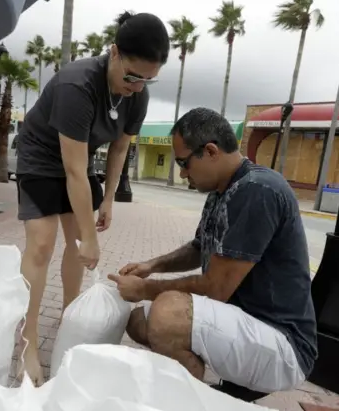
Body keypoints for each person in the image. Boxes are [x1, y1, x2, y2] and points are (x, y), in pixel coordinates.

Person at [108, 108, 318, 396]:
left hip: (283, 344)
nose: (182, 173)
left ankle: (191, 400)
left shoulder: (258, 190)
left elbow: (215, 288)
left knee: (168, 313)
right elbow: (199, 247)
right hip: (246, 324)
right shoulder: (223, 190)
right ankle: (208, 391)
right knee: (139, 321)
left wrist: (144, 288)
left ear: (210, 151)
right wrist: (151, 265)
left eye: (184, 162)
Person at [15, 11, 170, 385]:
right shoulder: (77, 84)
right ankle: (28, 341)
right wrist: (92, 237)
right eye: (133, 76)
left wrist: (109, 200)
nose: (138, 86)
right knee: (42, 244)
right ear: (114, 53)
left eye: (149, 79)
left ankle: (70, 314)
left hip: (78, 163)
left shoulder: (138, 95)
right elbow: (71, 170)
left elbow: (118, 150)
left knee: (76, 245)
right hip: (41, 158)